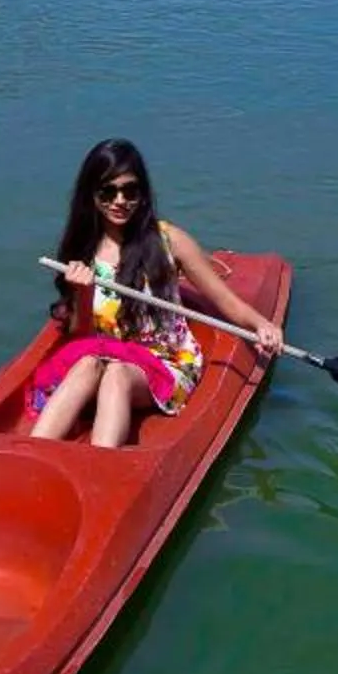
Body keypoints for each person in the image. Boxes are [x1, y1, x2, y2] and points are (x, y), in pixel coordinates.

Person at [28, 138, 282, 448]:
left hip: (163, 361)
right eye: (108, 191)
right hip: (102, 353)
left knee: (117, 375)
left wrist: (262, 325)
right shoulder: (81, 248)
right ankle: (29, 455)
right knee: (86, 365)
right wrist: (83, 293)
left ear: (143, 193)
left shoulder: (168, 240)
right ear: (91, 194)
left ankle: (100, 466)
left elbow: (224, 300)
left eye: (130, 191)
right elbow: (82, 335)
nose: (120, 201)